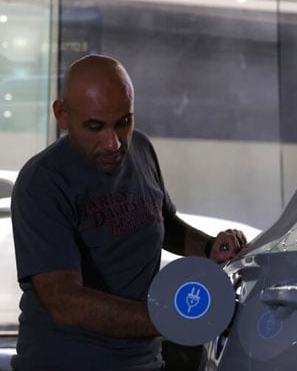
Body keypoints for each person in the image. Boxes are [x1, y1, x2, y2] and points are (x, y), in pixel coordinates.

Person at [10, 54, 247, 371]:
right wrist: (176, 318)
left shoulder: (141, 150)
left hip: (143, 360)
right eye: (95, 127)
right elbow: (66, 302)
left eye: (124, 122)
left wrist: (209, 248)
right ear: (62, 115)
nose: (113, 143)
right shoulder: (42, 183)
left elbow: (161, 221)